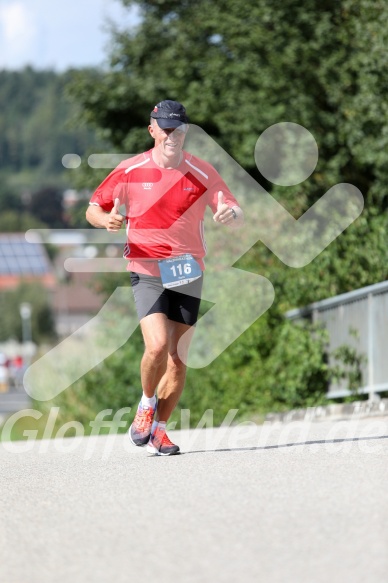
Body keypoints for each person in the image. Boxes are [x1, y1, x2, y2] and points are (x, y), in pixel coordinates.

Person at [86, 99, 244, 455]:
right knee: (156, 346)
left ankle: (158, 430)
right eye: (167, 128)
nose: (173, 135)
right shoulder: (131, 169)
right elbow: (93, 207)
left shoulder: (201, 171)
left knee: (178, 357)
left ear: (187, 132)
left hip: (187, 268)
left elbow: (232, 205)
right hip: (147, 268)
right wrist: (106, 220)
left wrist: (230, 213)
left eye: (180, 129)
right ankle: (145, 406)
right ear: (153, 129)